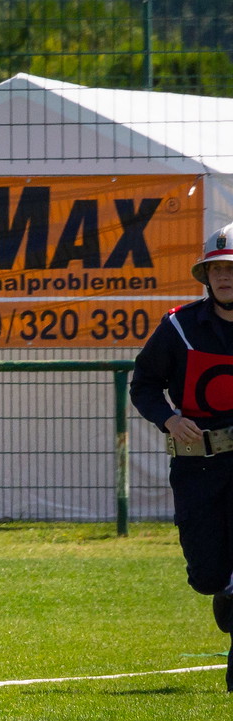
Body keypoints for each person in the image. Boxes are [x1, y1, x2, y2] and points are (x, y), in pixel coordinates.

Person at [131, 222, 233, 691]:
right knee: (208, 574)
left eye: (231, 269)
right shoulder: (178, 327)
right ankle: (225, 592)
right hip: (197, 468)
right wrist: (169, 420)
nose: (225, 276)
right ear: (205, 276)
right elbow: (144, 385)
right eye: (217, 269)